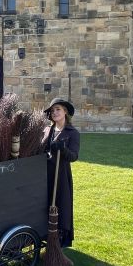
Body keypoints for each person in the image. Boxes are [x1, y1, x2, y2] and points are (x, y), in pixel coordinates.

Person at [40, 98, 80, 248]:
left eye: (58, 109)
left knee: (60, 207)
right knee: (44, 205)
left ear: (65, 112)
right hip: (44, 176)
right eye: (52, 110)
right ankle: (45, 237)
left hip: (60, 176)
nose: (54, 112)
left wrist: (63, 149)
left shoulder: (72, 133)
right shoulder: (47, 130)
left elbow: (74, 156)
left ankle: (59, 242)